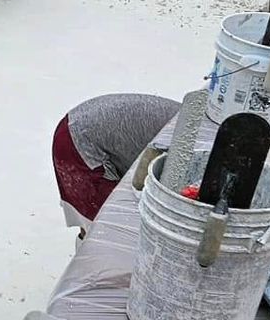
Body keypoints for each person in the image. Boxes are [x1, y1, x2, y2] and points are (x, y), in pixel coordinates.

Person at [52, 93, 180, 234]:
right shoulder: (194, 143)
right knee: (107, 226)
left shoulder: (193, 123)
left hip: (81, 125)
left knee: (109, 222)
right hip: (80, 143)